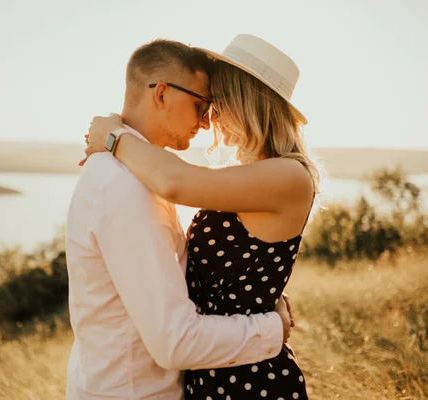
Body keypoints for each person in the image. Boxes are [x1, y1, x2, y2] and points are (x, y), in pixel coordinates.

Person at [84, 34, 319, 400]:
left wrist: (115, 135)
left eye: (216, 103)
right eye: (205, 105)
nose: (210, 119)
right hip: (214, 371)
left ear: (244, 102)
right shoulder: (254, 174)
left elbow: (175, 182)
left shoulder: (290, 176)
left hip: (252, 381)